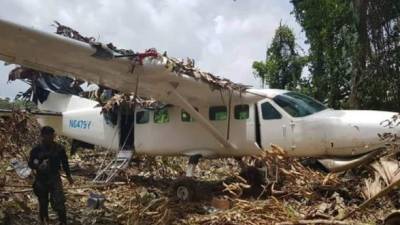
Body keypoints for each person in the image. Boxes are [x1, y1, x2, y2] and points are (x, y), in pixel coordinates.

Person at [28, 126, 73, 225]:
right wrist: (38, 166)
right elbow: (31, 163)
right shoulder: (36, 150)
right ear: (42, 136)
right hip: (41, 179)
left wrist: (69, 176)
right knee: (43, 202)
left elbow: (65, 163)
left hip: (54, 178)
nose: (50, 138)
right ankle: (44, 219)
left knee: (59, 201)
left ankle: (63, 221)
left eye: (52, 136)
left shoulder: (59, 148)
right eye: (47, 136)